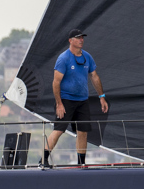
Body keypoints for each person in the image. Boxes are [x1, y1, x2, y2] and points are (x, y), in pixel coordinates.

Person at [42, 29, 109, 168]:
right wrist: (59, 104)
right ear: (70, 40)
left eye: (82, 37)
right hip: (66, 101)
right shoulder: (63, 58)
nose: (81, 40)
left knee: (82, 131)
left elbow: (94, 76)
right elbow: (56, 82)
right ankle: (43, 160)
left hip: (82, 101)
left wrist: (102, 97)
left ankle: (81, 163)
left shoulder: (87, 57)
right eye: (78, 38)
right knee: (59, 129)